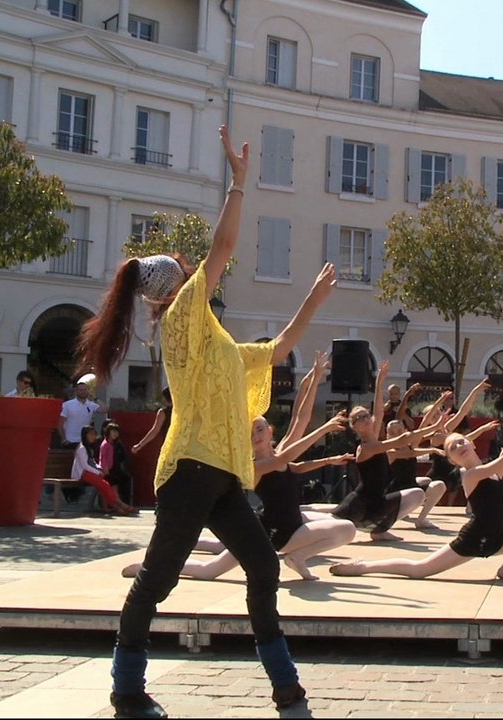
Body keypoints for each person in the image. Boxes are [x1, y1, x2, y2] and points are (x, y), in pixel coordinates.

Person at [76, 126, 332, 718]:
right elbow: (221, 251)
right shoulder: (183, 320)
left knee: (263, 564)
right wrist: (239, 186)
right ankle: (126, 690)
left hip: (218, 475)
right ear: (179, 288)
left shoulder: (214, 341)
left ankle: (285, 685)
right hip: (190, 470)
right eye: (194, 275)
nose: (205, 278)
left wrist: (313, 301)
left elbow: (274, 350)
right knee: (158, 581)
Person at [123, 355, 356, 582]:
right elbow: (286, 457)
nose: (256, 435)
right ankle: (148, 567)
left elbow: (300, 419)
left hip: (277, 526)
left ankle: (298, 557)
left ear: (270, 431)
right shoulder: (254, 466)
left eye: (260, 429)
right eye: (251, 431)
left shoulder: (280, 452)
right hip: (279, 533)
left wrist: (314, 379)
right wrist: (324, 429)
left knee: (211, 569)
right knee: (209, 570)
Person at [331, 380, 503, 580]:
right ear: (452, 460)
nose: (459, 445)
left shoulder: (493, 469)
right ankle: (362, 567)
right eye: (453, 447)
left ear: (472, 442)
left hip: (500, 537)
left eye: (462, 441)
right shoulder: (471, 475)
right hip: (474, 541)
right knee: (419, 570)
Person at [318, 362, 450, 540]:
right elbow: (402, 439)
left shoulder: (375, 438)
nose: (364, 419)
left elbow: (379, 412)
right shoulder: (366, 447)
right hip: (360, 503)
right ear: (354, 427)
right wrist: (432, 427)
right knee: (325, 527)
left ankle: (380, 530)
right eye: (358, 418)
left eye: (366, 415)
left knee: (416, 494)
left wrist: (380, 382)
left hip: (379, 501)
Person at [71, 426, 138, 516]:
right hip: (82, 474)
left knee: (103, 487)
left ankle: (117, 507)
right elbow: (85, 466)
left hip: (89, 473)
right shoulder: (82, 448)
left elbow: (93, 463)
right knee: (105, 485)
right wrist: (98, 472)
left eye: (94, 434)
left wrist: (99, 468)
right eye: (91, 434)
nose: (93, 437)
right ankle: (121, 504)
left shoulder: (89, 448)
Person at [59, 379, 103, 448]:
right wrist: (64, 439)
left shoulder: (91, 405)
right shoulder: (67, 405)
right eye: (81, 390)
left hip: (85, 442)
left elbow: (105, 408)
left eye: (85, 390)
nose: (83, 392)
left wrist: (96, 399)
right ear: (76, 391)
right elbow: (60, 424)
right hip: (70, 441)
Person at [100, 421, 135, 506]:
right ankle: (114, 506)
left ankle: (118, 505)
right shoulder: (105, 444)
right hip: (108, 470)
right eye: (113, 432)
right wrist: (105, 468)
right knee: (109, 488)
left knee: (116, 487)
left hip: (115, 469)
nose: (115, 434)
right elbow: (103, 457)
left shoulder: (116, 444)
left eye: (117, 432)